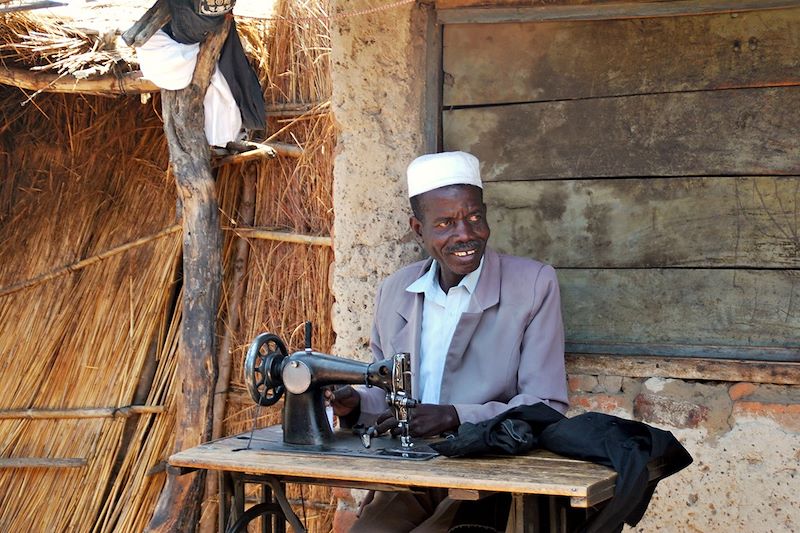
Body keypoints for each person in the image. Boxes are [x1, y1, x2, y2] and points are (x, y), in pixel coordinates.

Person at [329, 151, 569, 532]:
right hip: (412, 475)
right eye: (445, 223)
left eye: (474, 218)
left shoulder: (533, 285)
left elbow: (546, 405)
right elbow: (390, 399)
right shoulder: (396, 292)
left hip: (488, 476)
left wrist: (454, 415)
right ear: (417, 228)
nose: (466, 235)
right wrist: (356, 405)